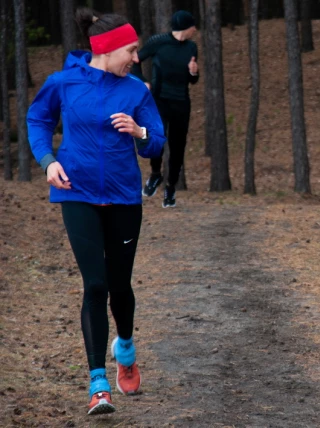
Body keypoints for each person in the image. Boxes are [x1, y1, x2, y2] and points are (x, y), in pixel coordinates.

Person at [27, 8, 165, 416]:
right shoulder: (63, 83)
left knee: (120, 286)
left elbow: (156, 142)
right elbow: (38, 119)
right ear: (106, 49)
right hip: (77, 194)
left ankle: (125, 347)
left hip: (123, 197)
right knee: (95, 285)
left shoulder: (136, 90)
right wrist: (48, 160)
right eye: (132, 50)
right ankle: (98, 384)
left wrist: (140, 133)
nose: (137, 58)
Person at [132, 10, 199, 208]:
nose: (195, 29)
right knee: (157, 139)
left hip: (181, 102)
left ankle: (170, 188)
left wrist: (194, 73)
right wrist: (143, 81)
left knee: (178, 147)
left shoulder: (192, 47)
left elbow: (193, 80)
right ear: (185, 27)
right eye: (193, 26)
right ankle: (155, 174)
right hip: (159, 100)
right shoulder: (158, 41)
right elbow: (136, 60)